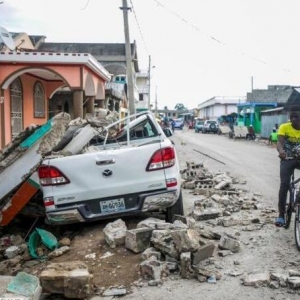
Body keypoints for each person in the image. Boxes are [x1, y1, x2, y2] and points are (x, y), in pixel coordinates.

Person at [275, 106, 300, 227]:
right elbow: (280, 142)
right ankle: (281, 215)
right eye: (292, 117)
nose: (294, 119)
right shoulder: (284, 127)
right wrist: (281, 152)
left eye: (297, 117)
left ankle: (297, 199)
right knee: (284, 184)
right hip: (288, 158)